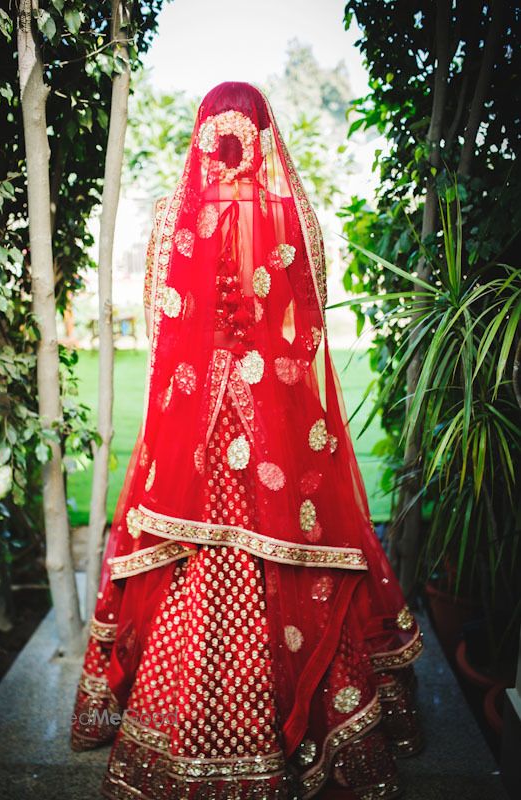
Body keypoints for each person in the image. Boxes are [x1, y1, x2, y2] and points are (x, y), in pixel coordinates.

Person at [71, 81, 424, 800]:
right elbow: (312, 329)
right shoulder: (294, 215)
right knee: (296, 561)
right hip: (275, 433)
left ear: (205, 136)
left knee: (191, 564)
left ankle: (175, 721)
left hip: (194, 433)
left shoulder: (175, 213)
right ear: (263, 136)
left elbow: (161, 332)